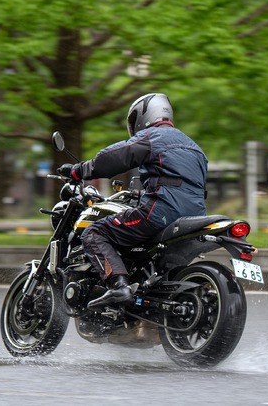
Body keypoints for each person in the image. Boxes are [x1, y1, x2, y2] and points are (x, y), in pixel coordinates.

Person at [58, 93, 208, 309]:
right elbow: (181, 185)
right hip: (194, 217)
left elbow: (113, 158)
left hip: (160, 213)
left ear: (143, 116)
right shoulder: (195, 147)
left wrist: (78, 171)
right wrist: (141, 195)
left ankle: (118, 285)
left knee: (94, 233)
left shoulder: (152, 136)